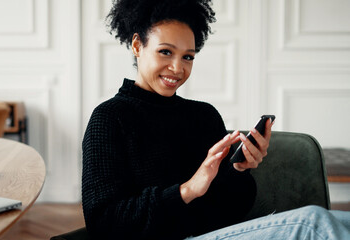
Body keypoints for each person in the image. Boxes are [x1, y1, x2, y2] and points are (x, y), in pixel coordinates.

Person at [81, 0, 350, 239]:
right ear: (137, 45)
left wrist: (239, 170)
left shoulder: (203, 115)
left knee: (342, 222)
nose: (178, 67)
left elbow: (231, 211)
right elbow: (103, 223)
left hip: (216, 233)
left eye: (188, 56)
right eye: (166, 52)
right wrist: (187, 190)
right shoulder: (110, 118)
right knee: (314, 223)